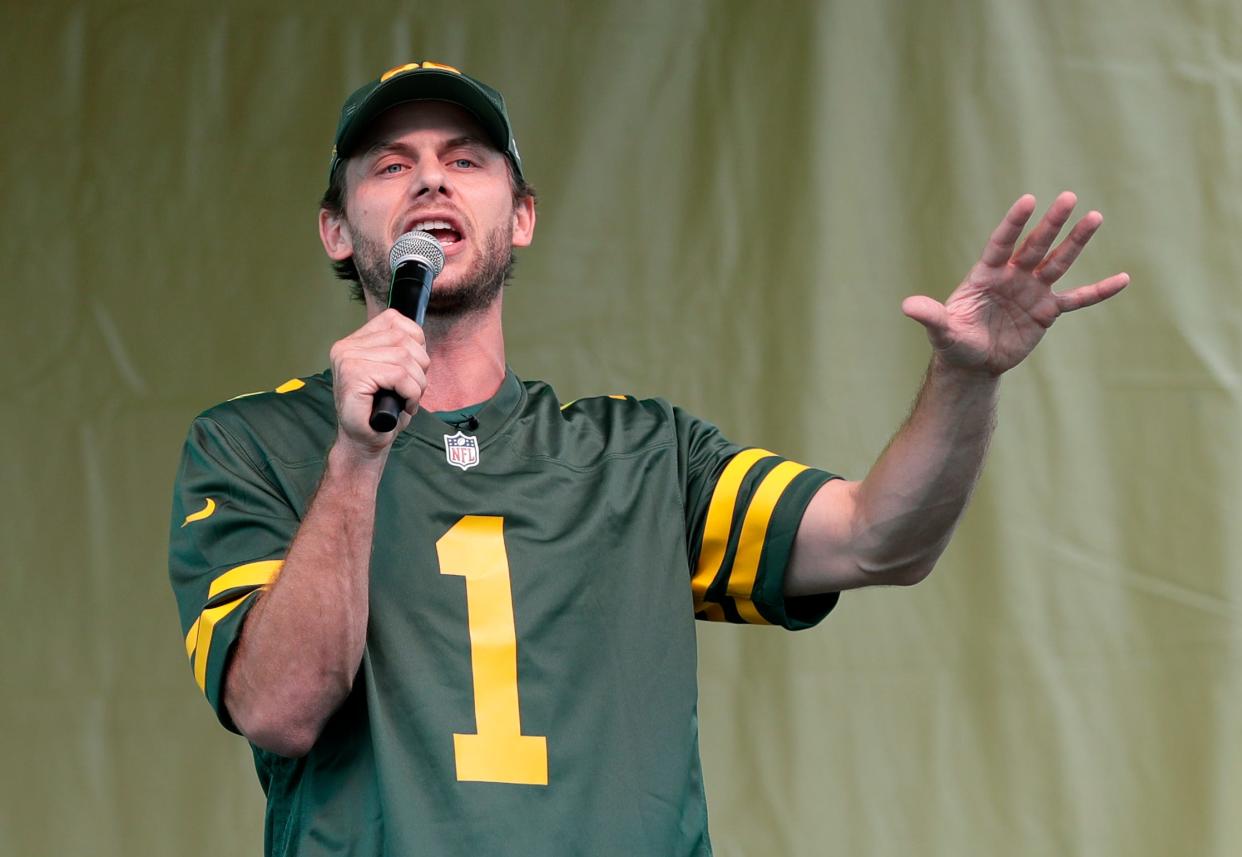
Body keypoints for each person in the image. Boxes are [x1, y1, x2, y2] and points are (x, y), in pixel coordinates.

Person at [168, 60, 1128, 857]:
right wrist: (357, 456)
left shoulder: (639, 452)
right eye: (390, 165)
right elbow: (280, 710)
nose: (431, 181)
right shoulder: (253, 443)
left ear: (524, 214)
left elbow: (879, 539)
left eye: (466, 159)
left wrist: (969, 380)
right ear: (338, 230)